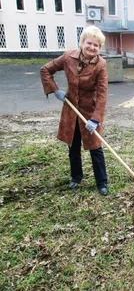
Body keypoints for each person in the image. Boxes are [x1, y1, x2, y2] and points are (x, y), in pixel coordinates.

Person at [40, 25, 109, 196]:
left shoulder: (100, 65)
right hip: (71, 109)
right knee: (74, 145)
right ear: (82, 42)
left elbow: (102, 94)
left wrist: (95, 118)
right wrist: (55, 89)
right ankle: (76, 177)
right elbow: (46, 69)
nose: (92, 48)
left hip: (89, 110)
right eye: (90, 43)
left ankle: (102, 182)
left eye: (97, 45)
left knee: (95, 147)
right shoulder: (68, 57)